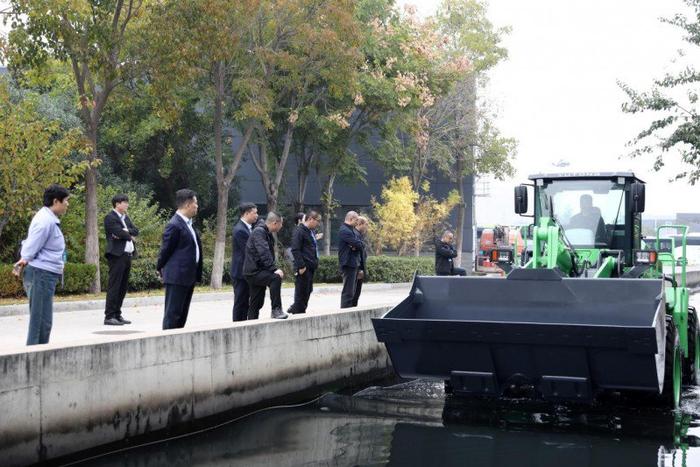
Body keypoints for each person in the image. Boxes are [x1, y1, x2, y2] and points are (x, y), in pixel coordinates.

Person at [14, 185, 70, 345]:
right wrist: (24, 260)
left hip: (45, 275)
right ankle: (34, 358)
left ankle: (40, 354)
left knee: (44, 322)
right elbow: (30, 247)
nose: (67, 204)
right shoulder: (44, 221)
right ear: (55, 201)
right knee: (39, 323)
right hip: (40, 274)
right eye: (65, 201)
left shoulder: (49, 218)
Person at [157, 189, 203, 330]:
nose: (197, 206)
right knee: (173, 314)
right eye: (195, 203)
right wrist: (159, 268)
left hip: (188, 276)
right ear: (188, 204)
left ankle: (177, 342)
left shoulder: (188, 224)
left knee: (182, 314)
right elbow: (165, 250)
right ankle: (167, 343)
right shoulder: (174, 224)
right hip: (177, 276)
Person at [244, 212, 287, 320]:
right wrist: (274, 269)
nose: (281, 227)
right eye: (281, 224)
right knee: (275, 278)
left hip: (257, 270)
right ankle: (276, 310)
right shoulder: (259, 232)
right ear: (275, 223)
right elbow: (263, 252)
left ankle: (251, 324)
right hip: (254, 272)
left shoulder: (265, 232)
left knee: (256, 302)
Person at [103, 194, 139, 326]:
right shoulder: (110, 217)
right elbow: (118, 233)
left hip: (127, 256)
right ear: (117, 204)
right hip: (116, 255)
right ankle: (109, 316)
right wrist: (127, 235)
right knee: (115, 286)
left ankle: (117, 314)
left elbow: (136, 231)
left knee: (123, 287)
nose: (127, 205)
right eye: (125, 202)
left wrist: (126, 231)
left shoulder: (126, 218)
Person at [287, 210, 322, 315]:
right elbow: (295, 249)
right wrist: (301, 266)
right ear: (310, 219)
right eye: (317, 221)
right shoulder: (300, 231)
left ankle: (301, 311)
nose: (318, 224)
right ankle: (298, 313)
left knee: (307, 291)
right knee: (301, 292)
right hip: (304, 267)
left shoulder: (309, 231)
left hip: (310, 266)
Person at [231, 202, 258, 322]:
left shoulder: (248, 228)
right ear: (246, 213)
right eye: (254, 213)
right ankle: (237, 325)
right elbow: (250, 251)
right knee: (240, 301)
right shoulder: (240, 230)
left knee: (244, 301)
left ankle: (243, 323)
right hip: (240, 272)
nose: (257, 215)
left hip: (246, 272)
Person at [338, 211, 365, 308]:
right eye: (356, 220)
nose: (357, 222)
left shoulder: (352, 230)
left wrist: (356, 245)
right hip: (348, 264)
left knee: (353, 291)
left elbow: (360, 244)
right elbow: (358, 244)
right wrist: (356, 245)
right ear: (351, 219)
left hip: (354, 263)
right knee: (348, 292)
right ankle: (345, 310)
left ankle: (350, 309)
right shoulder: (345, 230)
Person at [351, 216, 369, 307]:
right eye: (366, 225)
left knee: (356, 293)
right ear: (360, 224)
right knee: (354, 292)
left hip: (359, 267)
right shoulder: (355, 234)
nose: (367, 227)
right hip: (357, 268)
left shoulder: (359, 235)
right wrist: (360, 269)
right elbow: (358, 254)